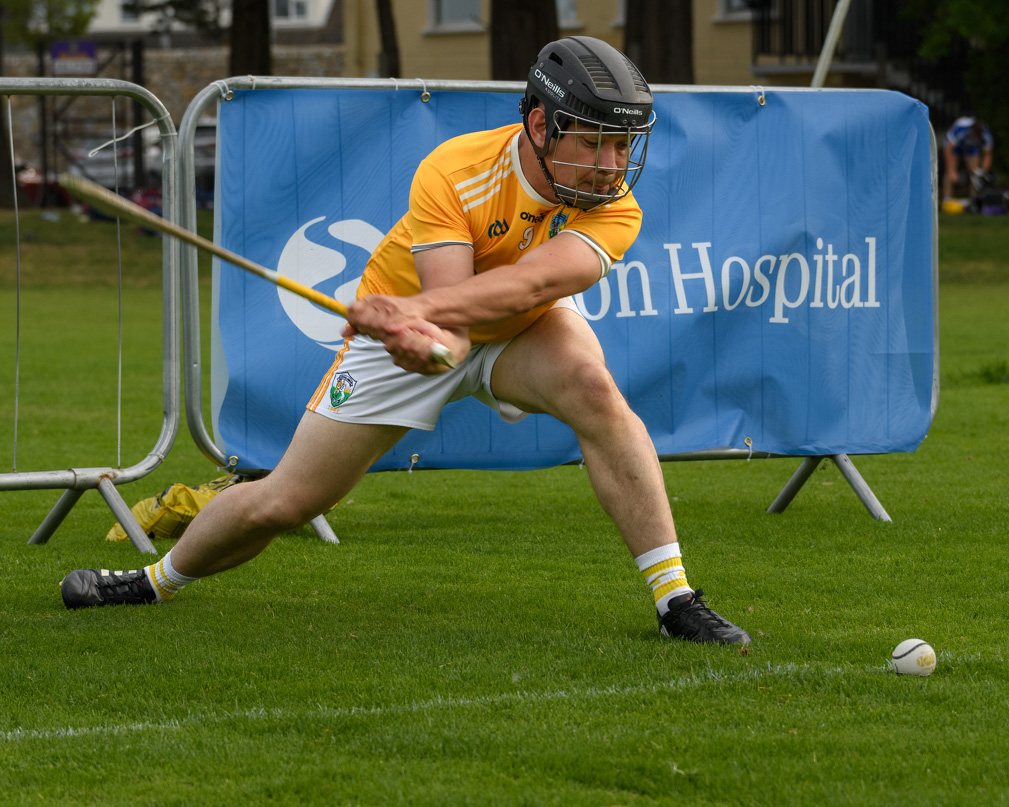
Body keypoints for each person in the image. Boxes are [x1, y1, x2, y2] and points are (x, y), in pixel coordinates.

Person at [59, 36, 751, 645]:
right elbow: (445, 325)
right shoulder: (456, 169)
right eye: (594, 140)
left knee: (596, 392)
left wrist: (415, 311)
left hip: (512, 327)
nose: (610, 164)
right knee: (289, 501)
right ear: (541, 124)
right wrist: (414, 332)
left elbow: (530, 287)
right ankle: (154, 580)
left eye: (622, 143)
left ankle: (675, 599)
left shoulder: (615, 209)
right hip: (409, 333)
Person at [942, 116, 994, 203]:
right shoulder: (962, 131)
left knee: (975, 172)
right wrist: (952, 171)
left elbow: (988, 155)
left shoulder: (986, 134)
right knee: (949, 173)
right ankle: (946, 199)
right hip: (954, 146)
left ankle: (974, 200)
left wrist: (983, 171)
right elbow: (948, 150)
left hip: (970, 147)